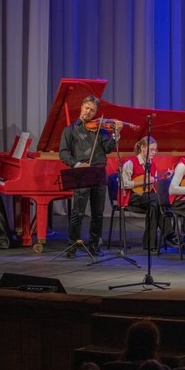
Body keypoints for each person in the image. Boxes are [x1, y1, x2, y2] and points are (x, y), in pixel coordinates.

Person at [59, 95, 120, 257]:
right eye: (87, 108)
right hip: (82, 172)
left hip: (99, 172)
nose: (89, 112)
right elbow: (63, 153)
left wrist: (115, 135)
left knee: (98, 213)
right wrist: (77, 164)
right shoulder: (70, 130)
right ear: (81, 107)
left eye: (92, 110)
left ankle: (93, 245)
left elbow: (107, 148)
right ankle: (72, 246)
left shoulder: (100, 129)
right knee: (78, 212)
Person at [120, 136, 178, 251]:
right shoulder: (130, 163)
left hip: (148, 197)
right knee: (156, 200)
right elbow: (123, 184)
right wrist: (142, 182)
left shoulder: (152, 164)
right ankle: (169, 234)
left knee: (154, 206)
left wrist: (164, 178)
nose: (154, 152)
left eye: (155, 150)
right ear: (142, 147)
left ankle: (150, 244)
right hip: (131, 196)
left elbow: (152, 184)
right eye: (151, 149)